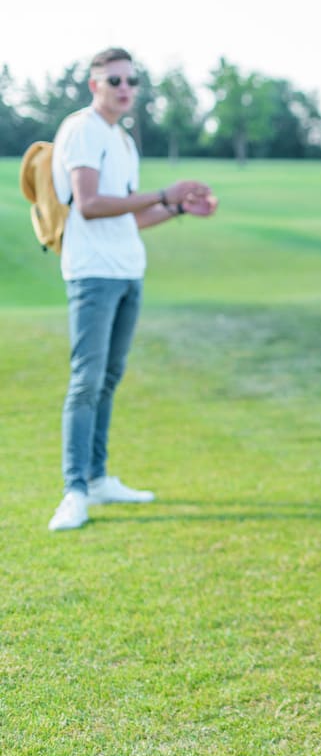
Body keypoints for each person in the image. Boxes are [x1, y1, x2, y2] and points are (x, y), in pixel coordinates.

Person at [47, 47, 219, 532]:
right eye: (114, 80)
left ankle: (98, 479)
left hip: (127, 271)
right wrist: (166, 192)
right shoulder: (82, 129)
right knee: (85, 381)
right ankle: (74, 491)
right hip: (92, 274)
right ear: (93, 85)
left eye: (131, 81)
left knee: (107, 379)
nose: (125, 89)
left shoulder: (122, 140)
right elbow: (90, 204)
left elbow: (132, 214)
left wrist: (180, 208)